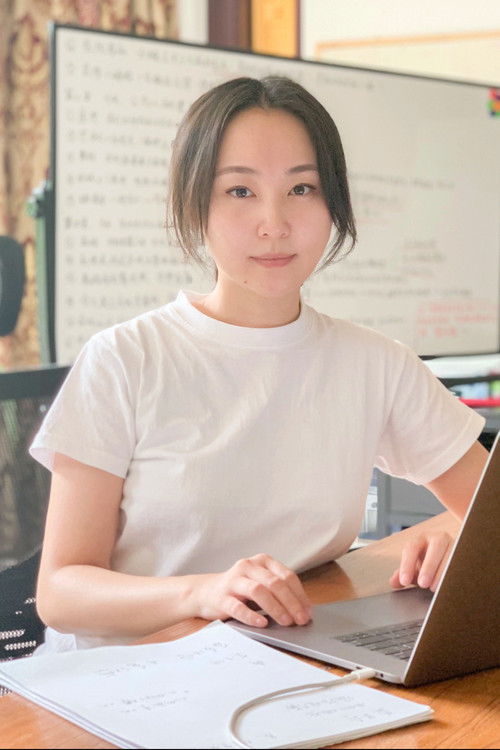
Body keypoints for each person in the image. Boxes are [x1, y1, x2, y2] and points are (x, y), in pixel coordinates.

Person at [31, 76, 488, 653]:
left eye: (301, 188)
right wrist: (203, 593)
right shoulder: (125, 359)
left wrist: (458, 543)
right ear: (195, 204)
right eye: (240, 191)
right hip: (136, 675)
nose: (274, 223)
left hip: (298, 658)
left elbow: (488, 509)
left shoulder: (375, 363)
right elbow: (60, 592)